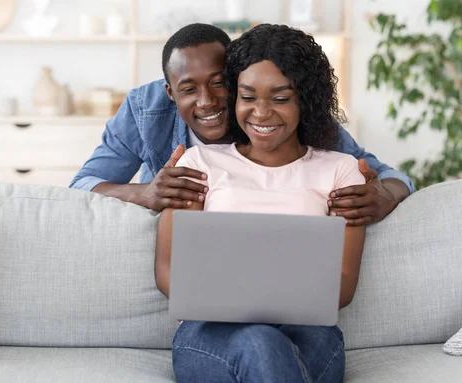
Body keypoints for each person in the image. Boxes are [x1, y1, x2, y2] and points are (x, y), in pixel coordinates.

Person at [155, 23, 365, 382]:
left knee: (266, 345)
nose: (261, 113)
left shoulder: (342, 171)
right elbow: (168, 271)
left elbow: (341, 287)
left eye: (280, 98)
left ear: (306, 99)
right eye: (248, 97)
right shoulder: (199, 163)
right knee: (260, 343)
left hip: (309, 333)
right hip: (212, 333)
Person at [69, 23, 414, 225]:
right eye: (188, 89)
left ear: (239, 77)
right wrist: (144, 193)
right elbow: (82, 187)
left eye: (219, 82)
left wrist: (384, 194)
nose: (207, 101)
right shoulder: (145, 110)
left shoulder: (281, 114)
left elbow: (393, 177)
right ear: (170, 93)